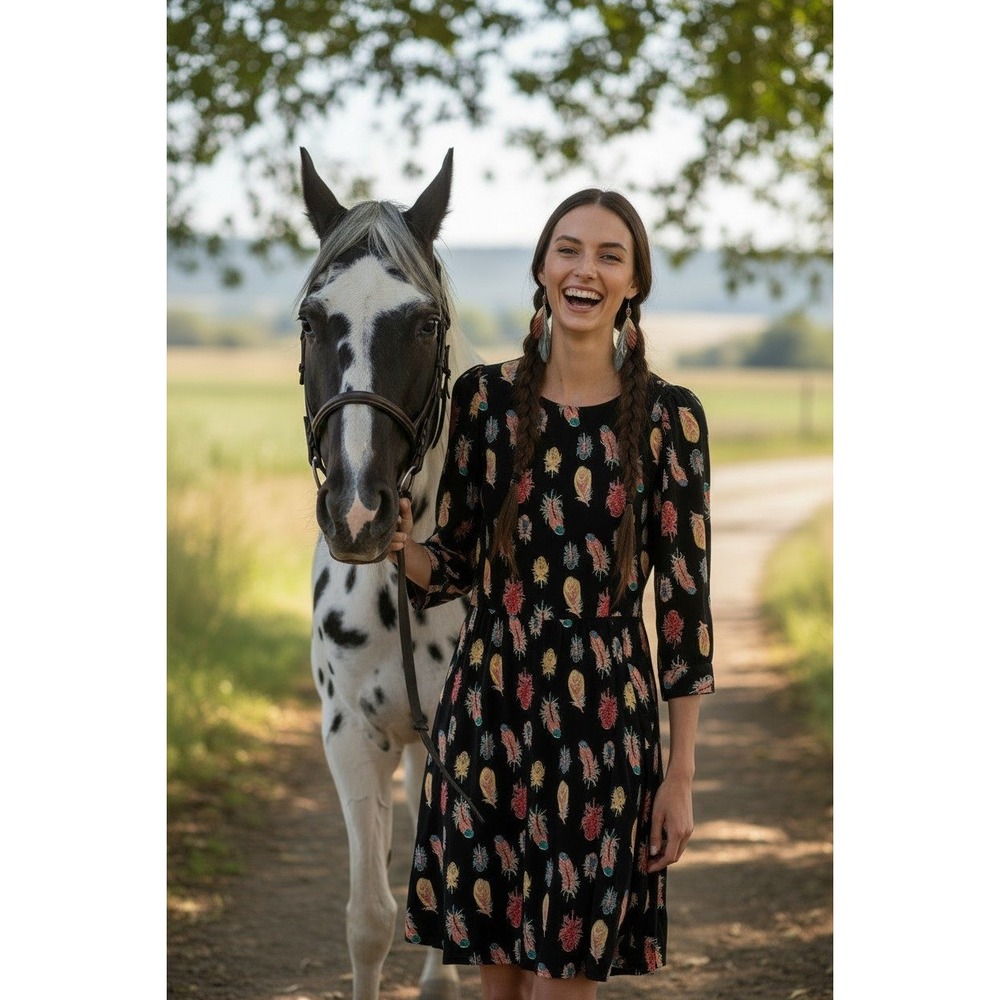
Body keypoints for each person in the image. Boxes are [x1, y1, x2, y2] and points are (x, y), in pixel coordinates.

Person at [387, 188, 715, 1000]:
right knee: (498, 985)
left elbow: (683, 613)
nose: (585, 269)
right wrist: (400, 548)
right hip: (487, 710)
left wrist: (679, 776)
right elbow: (455, 563)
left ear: (634, 284)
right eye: (569, 249)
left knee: (567, 980)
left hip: (604, 723)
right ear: (541, 267)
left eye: (610, 256)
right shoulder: (484, 400)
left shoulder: (673, 420)